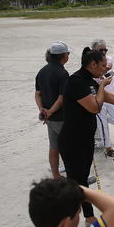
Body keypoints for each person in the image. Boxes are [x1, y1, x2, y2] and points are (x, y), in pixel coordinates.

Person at [59, 48, 114, 225]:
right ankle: (87, 218)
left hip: (84, 139)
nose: (105, 70)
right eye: (103, 66)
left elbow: (110, 98)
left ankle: (77, 215)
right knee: (78, 180)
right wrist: (101, 86)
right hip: (72, 141)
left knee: (80, 178)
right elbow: (95, 107)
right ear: (93, 64)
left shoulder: (89, 80)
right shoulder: (77, 82)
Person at [35, 41, 71, 179]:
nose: (68, 56)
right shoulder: (62, 73)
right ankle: (73, 175)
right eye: (67, 53)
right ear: (63, 56)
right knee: (69, 147)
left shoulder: (42, 71)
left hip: (49, 118)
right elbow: (62, 98)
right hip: (60, 117)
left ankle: (56, 175)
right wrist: (50, 111)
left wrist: (42, 110)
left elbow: (38, 94)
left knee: (54, 146)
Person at [91, 39, 114, 158]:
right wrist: (104, 69)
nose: (104, 52)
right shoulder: (90, 63)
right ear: (94, 50)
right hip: (99, 96)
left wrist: (105, 69)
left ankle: (101, 120)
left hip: (111, 95)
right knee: (103, 125)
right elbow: (97, 75)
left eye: (105, 49)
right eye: (101, 50)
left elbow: (107, 69)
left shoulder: (109, 59)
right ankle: (108, 148)